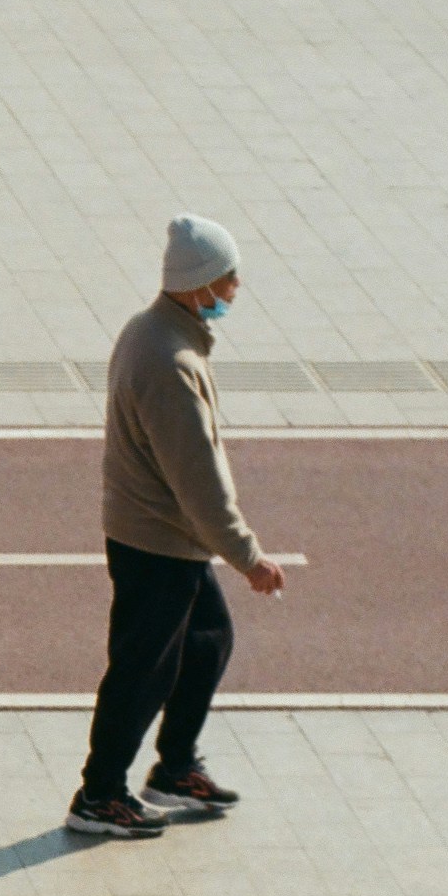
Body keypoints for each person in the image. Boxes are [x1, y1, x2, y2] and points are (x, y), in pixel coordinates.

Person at [74, 213, 286, 840]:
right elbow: (199, 481)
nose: (235, 287)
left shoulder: (156, 332)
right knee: (142, 670)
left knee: (206, 642)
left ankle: (173, 768)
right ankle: (99, 794)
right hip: (157, 539)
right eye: (226, 278)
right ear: (198, 286)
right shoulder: (170, 361)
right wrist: (248, 558)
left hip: (165, 535)